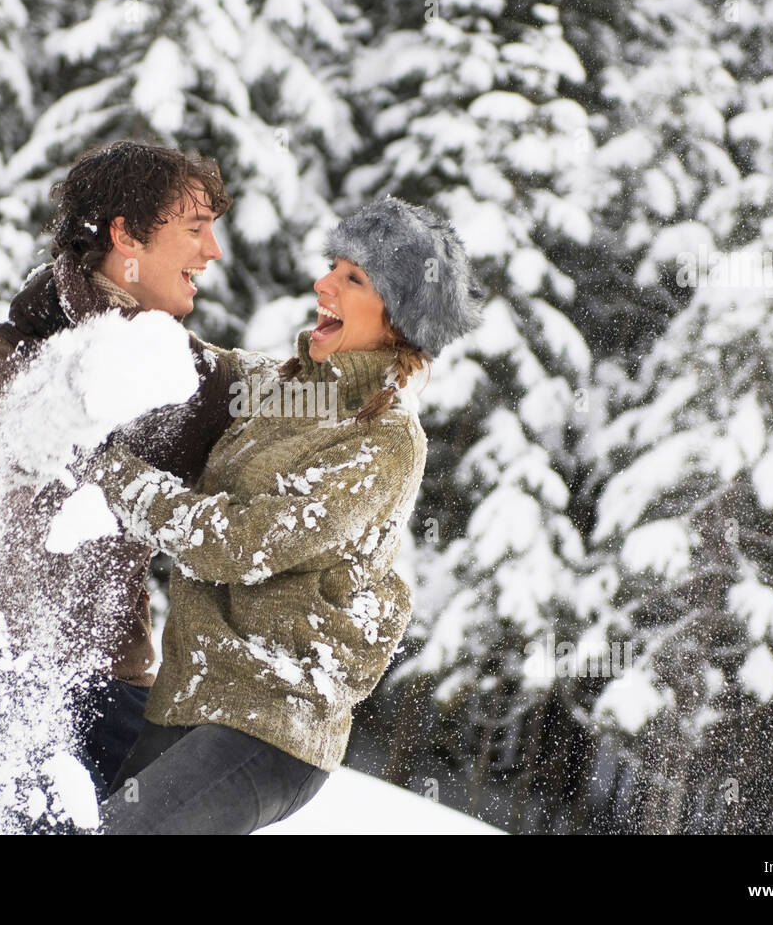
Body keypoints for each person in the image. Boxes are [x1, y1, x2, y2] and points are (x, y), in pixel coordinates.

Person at [84, 197, 484, 834]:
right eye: (333, 266)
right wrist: (99, 308)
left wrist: (113, 473)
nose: (323, 283)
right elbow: (192, 367)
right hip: (188, 697)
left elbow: (240, 544)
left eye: (354, 278)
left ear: (400, 319)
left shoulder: (384, 440)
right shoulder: (284, 385)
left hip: (272, 723)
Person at [0, 141, 239, 832]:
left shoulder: (190, 378)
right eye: (194, 227)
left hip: (116, 686)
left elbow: (301, 409)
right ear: (125, 235)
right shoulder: (7, 359)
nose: (212, 251)